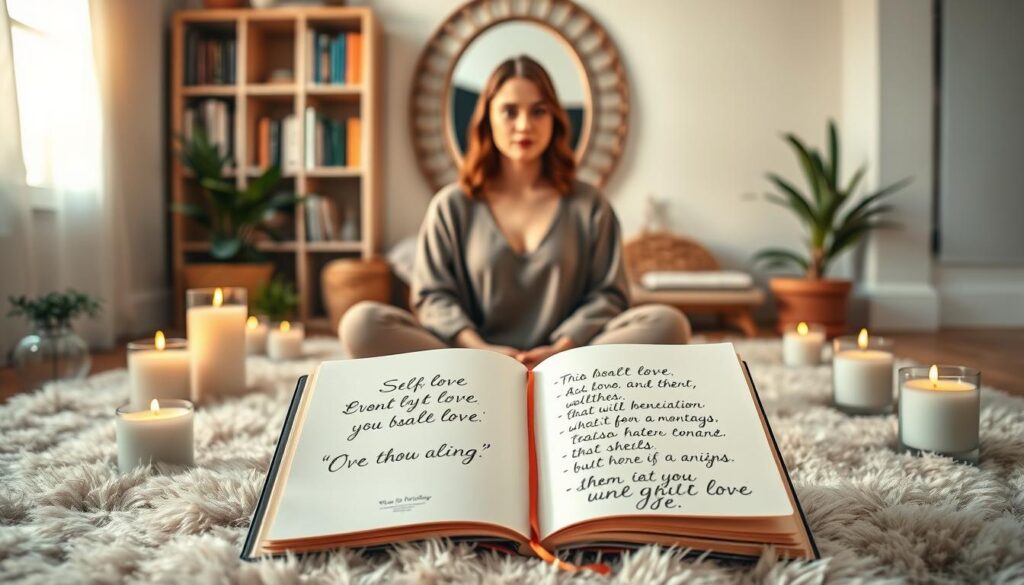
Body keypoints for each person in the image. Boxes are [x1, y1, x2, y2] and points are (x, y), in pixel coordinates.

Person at [341, 55, 690, 368]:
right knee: (361, 324)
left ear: (555, 118)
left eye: (538, 111)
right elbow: (433, 297)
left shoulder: (590, 205)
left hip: (567, 361)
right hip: (473, 360)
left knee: (668, 323)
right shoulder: (452, 205)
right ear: (487, 119)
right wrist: (479, 350)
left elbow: (608, 295)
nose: (524, 125)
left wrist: (561, 348)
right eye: (510, 111)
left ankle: (553, 378)